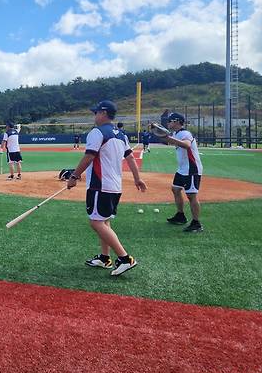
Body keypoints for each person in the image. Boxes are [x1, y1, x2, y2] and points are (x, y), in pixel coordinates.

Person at [66, 100, 147, 276]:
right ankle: (105, 258)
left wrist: (74, 176)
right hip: (114, 186)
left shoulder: (97, 132)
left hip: (100, 186)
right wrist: (137, 179)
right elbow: (131, 159)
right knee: (104, 220)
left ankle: (125, 258)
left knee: (95, 222)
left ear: (103, 113)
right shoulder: (121, 135)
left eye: (96, 112)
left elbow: (89, 157)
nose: (94, 116)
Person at [163, 113, 204, 232]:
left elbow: (186, 144)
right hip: (183, 169)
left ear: (176, 121)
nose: (168, 123)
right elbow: (169, 139)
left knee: (191, 196)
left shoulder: (185, 133)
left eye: (170, 121)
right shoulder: (177, 133)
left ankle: (196, 223)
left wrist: (168, 138)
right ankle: (180, 215)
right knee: (175, 189)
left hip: (191, 169)